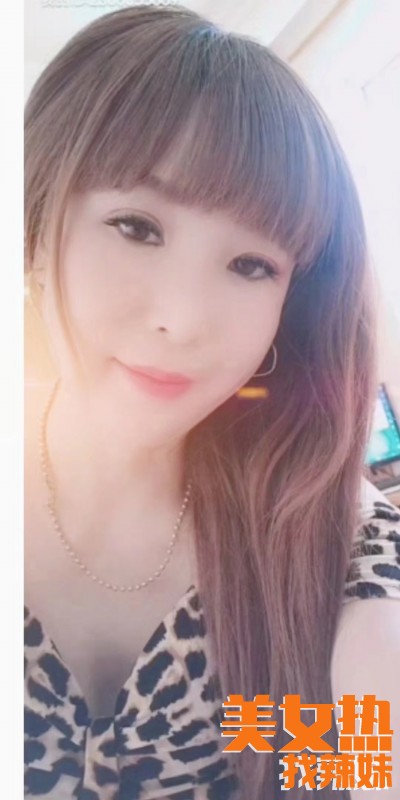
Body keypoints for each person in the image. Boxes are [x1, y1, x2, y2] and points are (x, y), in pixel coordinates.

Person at [24, 4, 400, 800]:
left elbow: (366, 752)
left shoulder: (316, 529)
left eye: (252, 265)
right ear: (35, 222)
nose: (185, 320)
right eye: (136, 226)